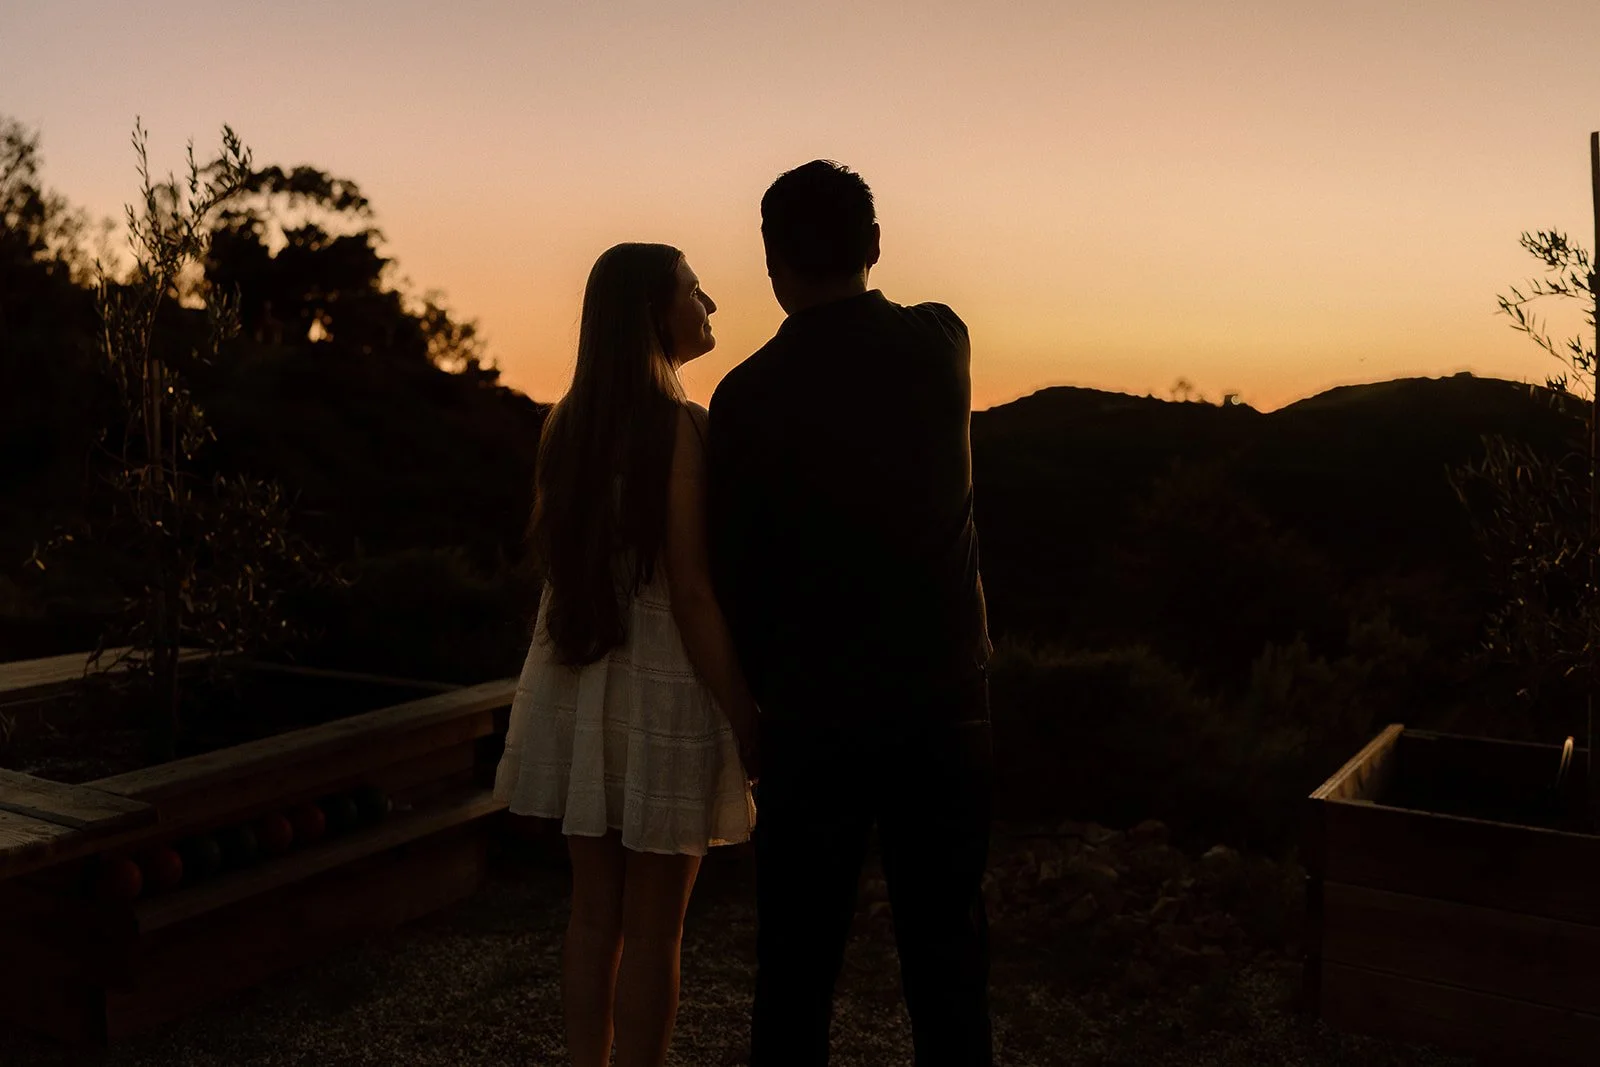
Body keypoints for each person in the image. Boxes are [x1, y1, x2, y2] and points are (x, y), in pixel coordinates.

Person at [709, 161, 995, 1066]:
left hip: (808, 714)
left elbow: (737, 573)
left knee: (794, 970)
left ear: (769, 259)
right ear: (874, 245)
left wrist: (752, 706)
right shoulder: (939, 343)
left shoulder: (745, 397)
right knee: (948, 959)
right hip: (945, 698)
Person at [494, 242, 760, 1067]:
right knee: (655, 925)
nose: (709, 302)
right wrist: (746, 714)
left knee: (591, 912)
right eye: (693, 289)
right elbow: (689, 593)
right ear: (655, 312)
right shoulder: (682, 428)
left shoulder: (566, 424)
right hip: (662, 684)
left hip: (580, 678)